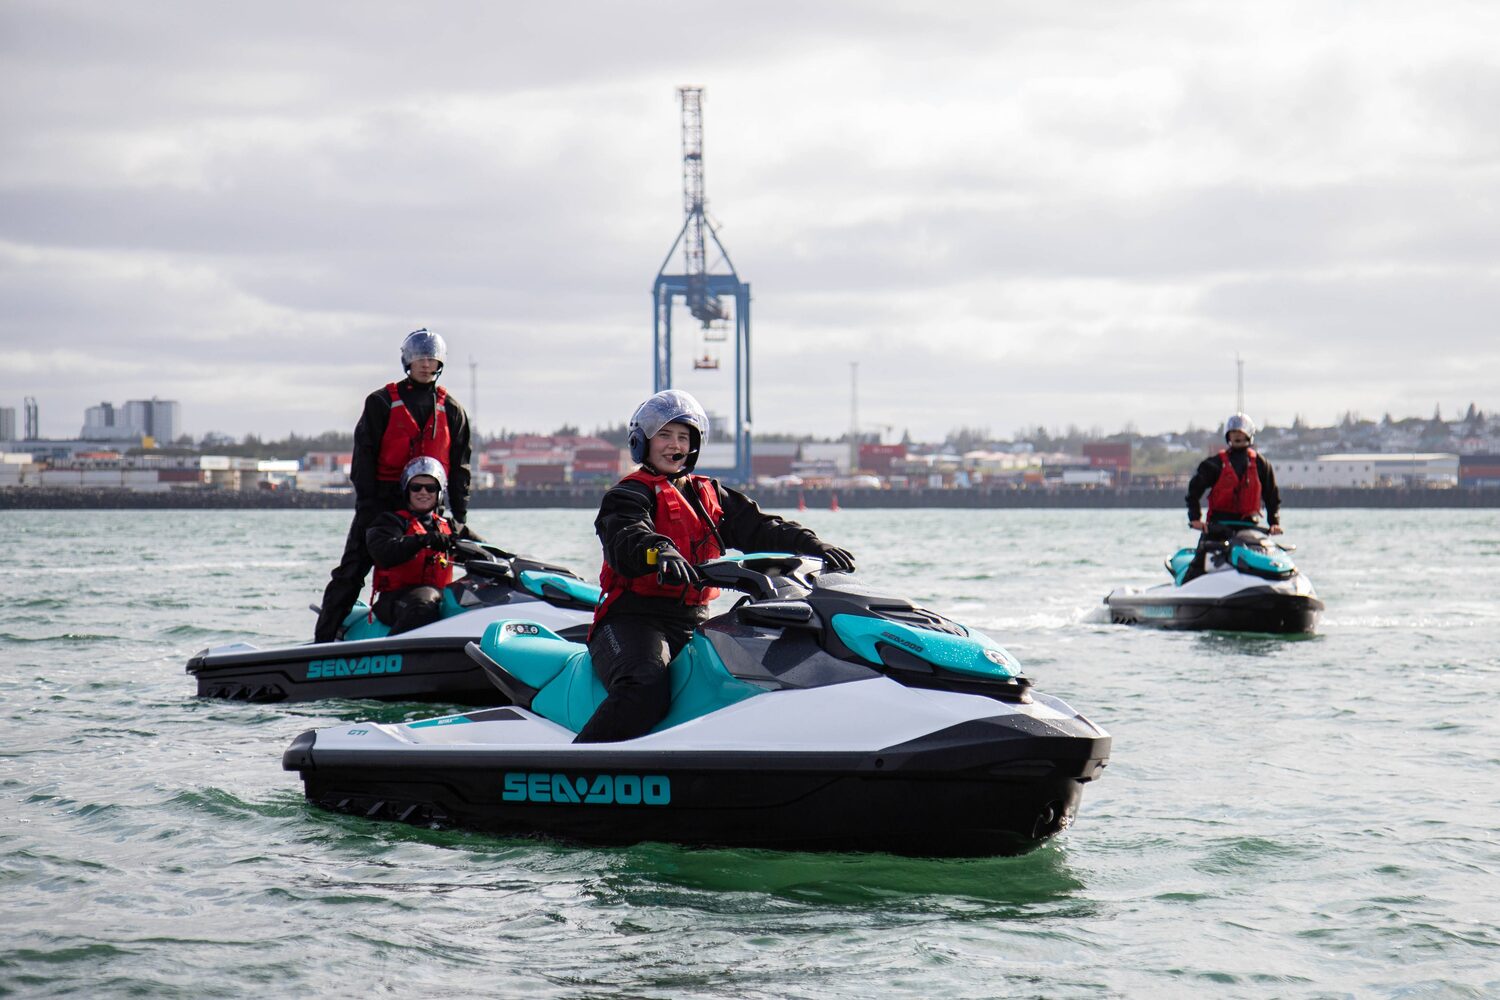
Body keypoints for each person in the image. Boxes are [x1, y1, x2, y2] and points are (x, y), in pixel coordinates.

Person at [575, 389, 856, 744]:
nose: (674, 444)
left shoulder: (710, 494)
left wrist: (813, 545)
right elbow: (626, 536)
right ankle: (579, 769)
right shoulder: (627, 495)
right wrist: (660, 551)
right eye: (664, 435)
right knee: (644, 685)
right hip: (632, 620)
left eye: (683, 437)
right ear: (641, 441)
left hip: (694, 618)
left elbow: (761, 527)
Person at [313, 328, 473, 642]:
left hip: (428, 501)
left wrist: (459, 518)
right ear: (407, 361)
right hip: (382, 503)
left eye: (431, 358)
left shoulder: (452, 410)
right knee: (351, 572)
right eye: (419, 358)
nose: (425, 364)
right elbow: (363, 461)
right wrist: (369, 511)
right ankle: (322, 640)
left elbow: (460, 469)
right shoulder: (380, 403)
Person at [364, 457, 483, 635]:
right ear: (407, 490)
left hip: (438, 596)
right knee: (423, 605)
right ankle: (396, 652)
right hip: (397, 600)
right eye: (416, 487)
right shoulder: (390, 522)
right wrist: (422, 540)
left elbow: (482, 548)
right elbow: (383, 553)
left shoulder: (450, 527)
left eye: (430, 488)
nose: (423, 492)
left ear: (439, 492)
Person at [1182, 413, 1283, 580]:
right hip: (1217, 527)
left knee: (1267, 558)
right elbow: (1193, 491)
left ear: (1249, 435)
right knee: (1198, 566)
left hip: (1250, 528)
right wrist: (1195, 518)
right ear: (1228, 435)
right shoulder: (1214, 464)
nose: (1237, 435)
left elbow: (1271, 495)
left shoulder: (1261, 464)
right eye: (1233, 432)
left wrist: (1274, 522)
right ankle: (1185, 589)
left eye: (1241, 432)